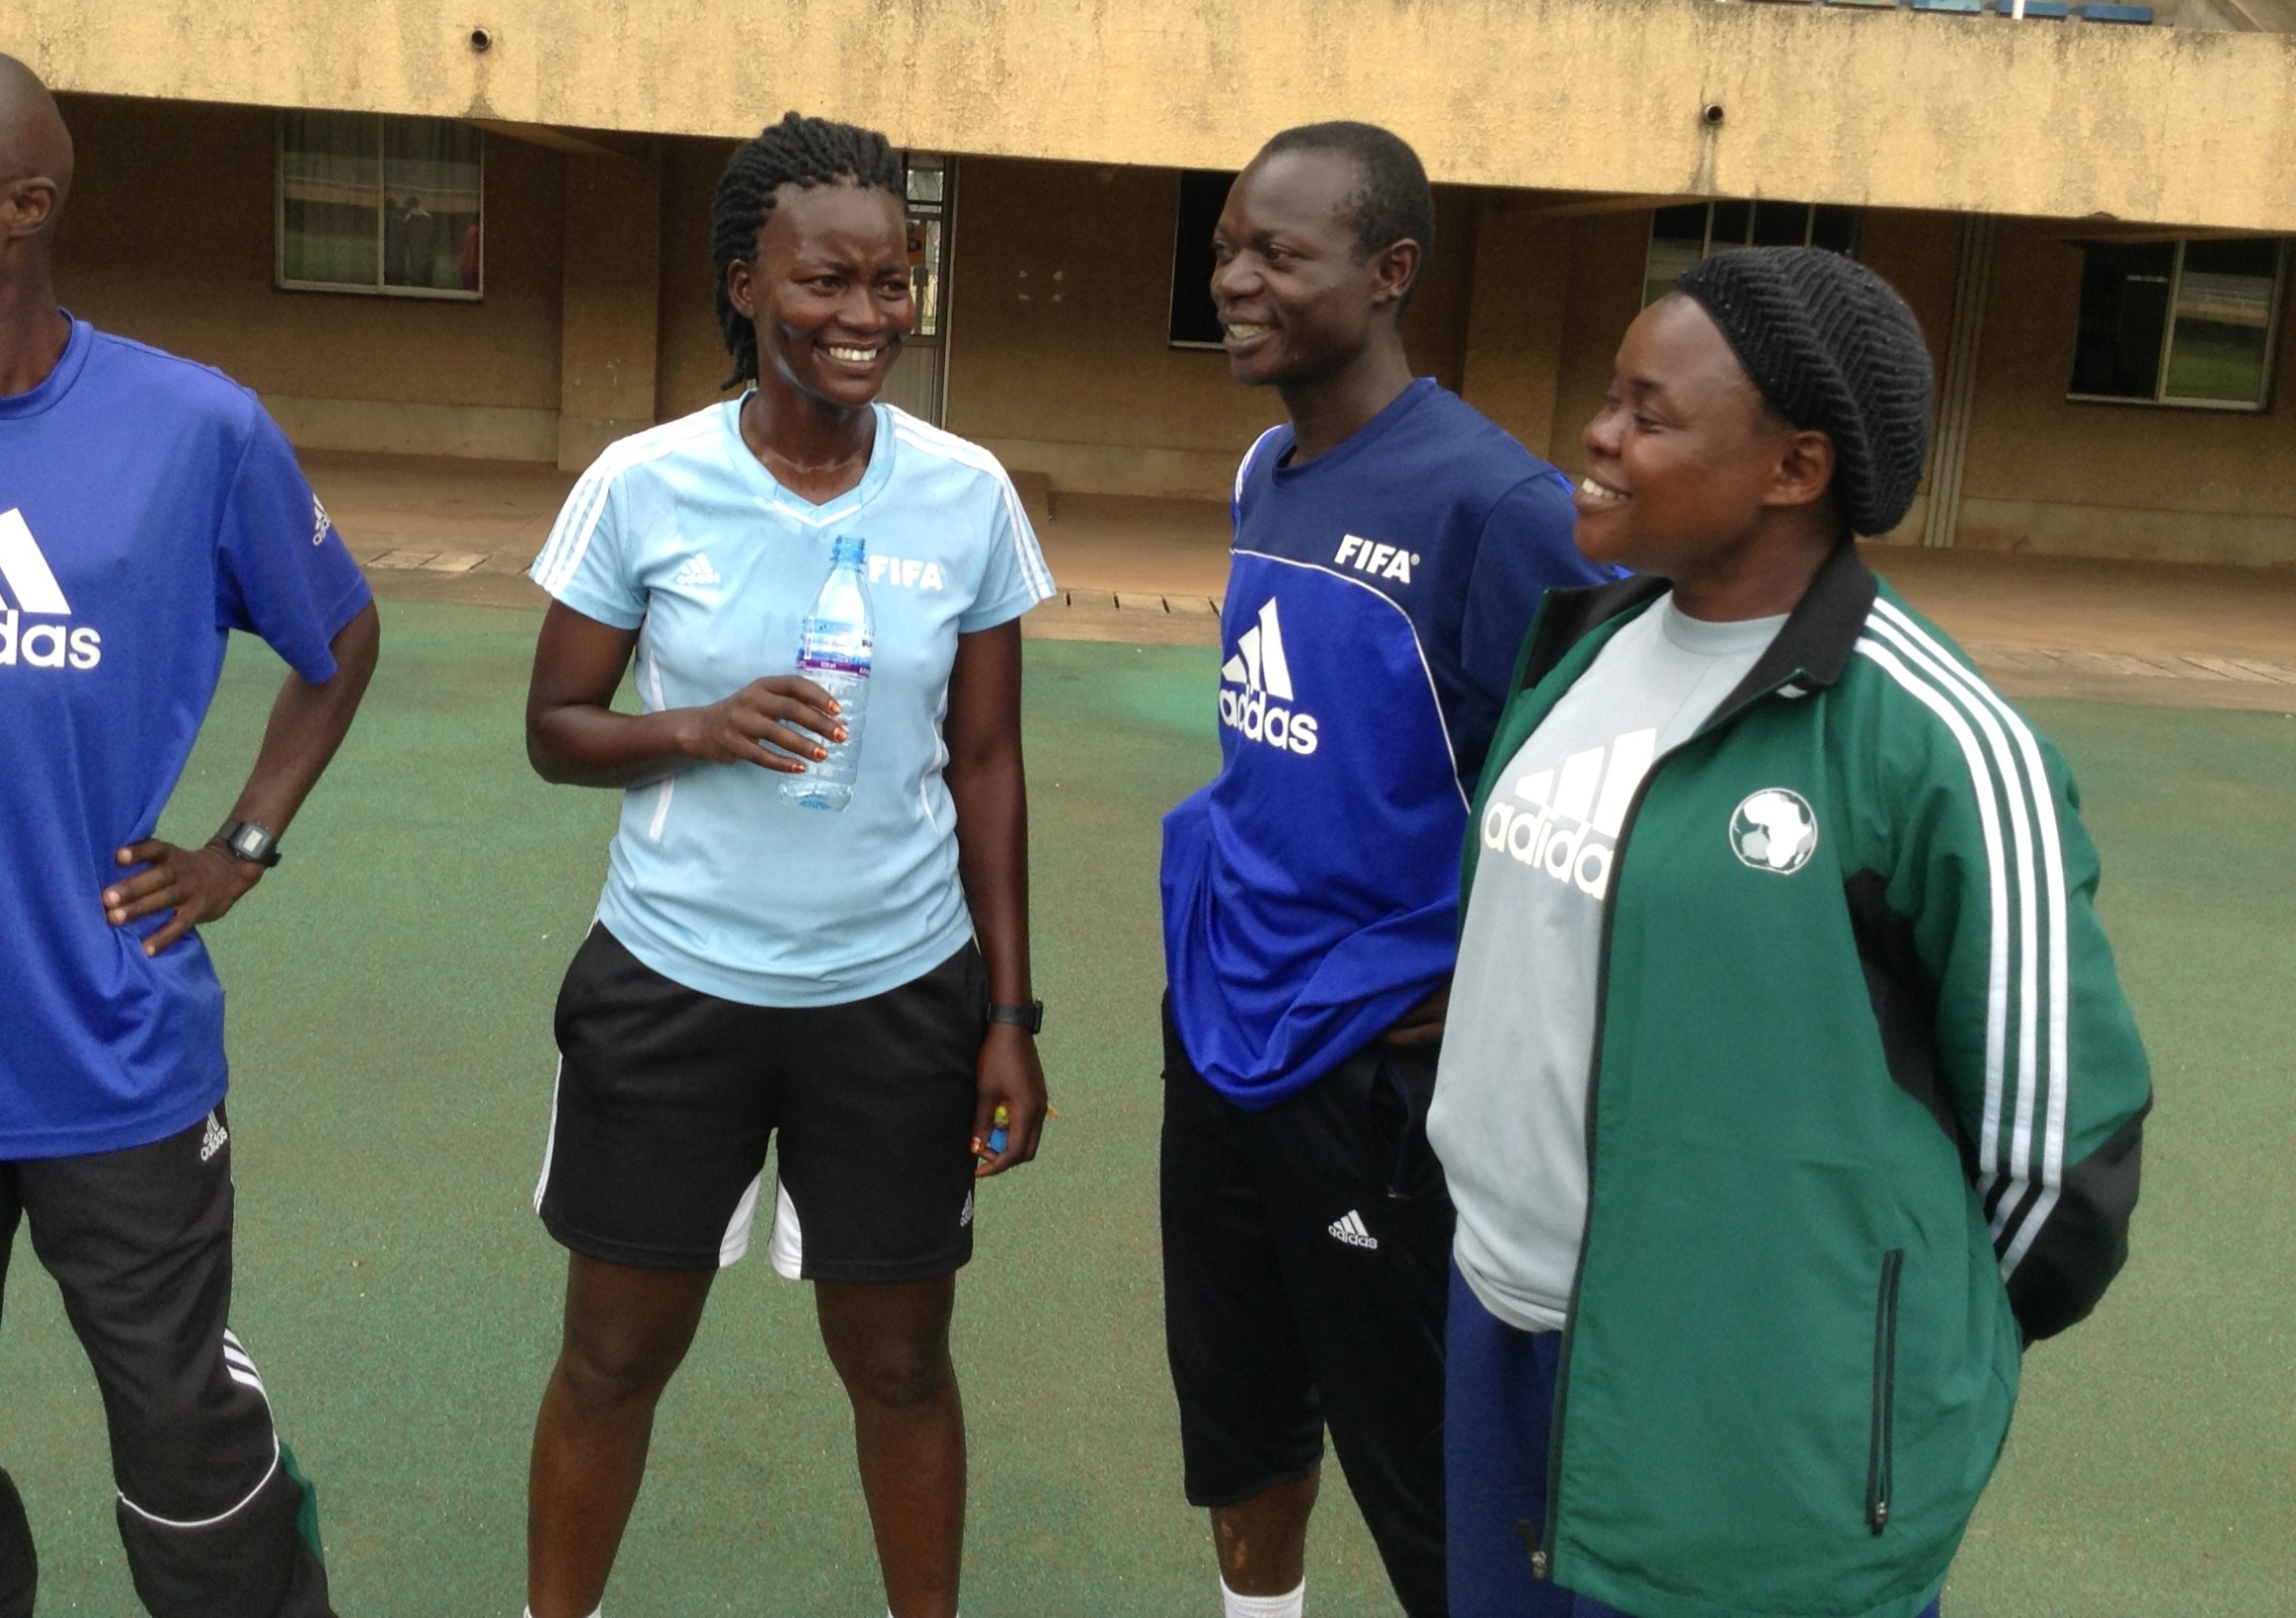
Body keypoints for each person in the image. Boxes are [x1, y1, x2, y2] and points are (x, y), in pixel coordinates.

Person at [1426, 247, 2150, 1617]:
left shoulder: (1936, 741)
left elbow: (2064, 1164)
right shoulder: (1580, 643)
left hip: (1749, 1404)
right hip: (1503, 1324)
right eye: (1609, 396)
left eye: (1649, 411)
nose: (1597, 433)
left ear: (1796, 468)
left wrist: (1851, 1356)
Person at [0, 45, 378, 1616]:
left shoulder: (195, 427)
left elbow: (338, 635)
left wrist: (242, 847)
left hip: (113, 1051)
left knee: (189, 1450)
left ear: (21, 207)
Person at [518, 113, 1053, 1618]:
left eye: (894, 282)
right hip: (671, 985)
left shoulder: (966, 493)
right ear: (746, 284)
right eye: (828, 281)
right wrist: (694, 727)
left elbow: (988, 763)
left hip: (897, 997)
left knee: (902, 1368)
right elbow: (556, 729)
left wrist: (1011, 1017)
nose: (867, 316)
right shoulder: (644, 482)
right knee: (612, 1361)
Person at [1156, 122, 1612, 1618]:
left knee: (1436, 1486)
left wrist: (1488, 980)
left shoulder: (1499, 508)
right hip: (1223, 1035)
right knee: (1242, 1430)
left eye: (1279, 254)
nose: (1236, 280)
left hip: (1378, 1076)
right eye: (1227, 247)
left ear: (1390, 272)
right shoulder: (1267, 469)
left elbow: (1623, 776)